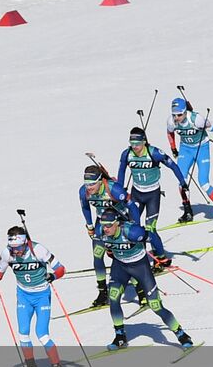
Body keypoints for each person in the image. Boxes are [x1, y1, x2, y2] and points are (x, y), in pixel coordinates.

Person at [95, 209, 193, 351]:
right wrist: (110, 251)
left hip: (140, 267)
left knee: (155, 305)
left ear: (117, 223)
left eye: (109, 225)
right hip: (120, 267)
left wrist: (160, 257)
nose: (105, 228)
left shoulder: (132, 232)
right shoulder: (101, 231)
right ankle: (120, 336)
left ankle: (181, 334)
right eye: (104, 225)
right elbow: (102, 249)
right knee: (113, 297)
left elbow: (152, 237)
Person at [0, 226, 67, 367]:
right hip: (24, 296)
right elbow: (0, 270)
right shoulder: (7, 253)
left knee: (42, 334)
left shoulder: (38, 250)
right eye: (12, 248)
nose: (15, 252)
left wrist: (52, 276)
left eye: (18, 248)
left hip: (41, 296)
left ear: (25, 243)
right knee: (23, 334)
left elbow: (61, 269)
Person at [80, 164, 161, 307]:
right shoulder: (84, 192)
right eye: (87, 184)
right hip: (102, 224)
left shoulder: (113, 189)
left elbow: (132, 206)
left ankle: (140, 289)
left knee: (123, 255)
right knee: (97, 254)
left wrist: (135, 224)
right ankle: (102, 291)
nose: (89, 187)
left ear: (100, 181)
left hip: (121, 222)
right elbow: (85, 207)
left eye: (92, 183)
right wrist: (90, 225)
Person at [116, 126, 189, 264]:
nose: (134, 147)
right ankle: (139, 256)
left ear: (144, 141)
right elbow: (121, 171)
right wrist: (120, 189)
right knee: (133, 227)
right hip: (137, 194)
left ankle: (161, 257)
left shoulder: (154, 153)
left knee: (150, 228)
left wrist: (182, 182)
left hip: (152, 195)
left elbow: (172, 165)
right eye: (132, 143)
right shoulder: (127, 154)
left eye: (137, 143)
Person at [166, 97, 213, 223]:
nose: (176, 118)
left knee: (204, 182)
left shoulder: (196, 119)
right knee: (181, 181)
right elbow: (169, 133)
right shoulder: (171, 122)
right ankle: (188, 211)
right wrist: (173, 148)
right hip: (185, 149)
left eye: (179, 114)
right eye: (174, 115)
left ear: (185, 112)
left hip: (202, 148)